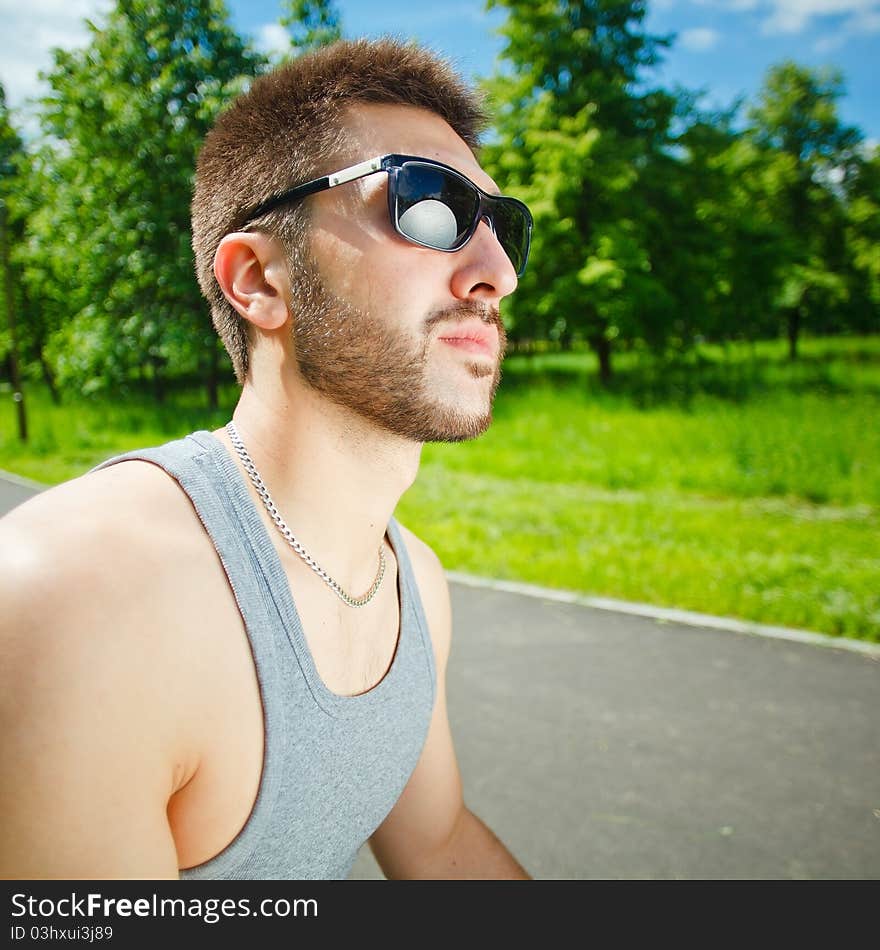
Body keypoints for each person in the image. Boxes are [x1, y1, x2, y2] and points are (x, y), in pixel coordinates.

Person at [0, 37, 533, 880]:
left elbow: (439, 848)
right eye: (429, 203)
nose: (496, 272)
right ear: (258, 280)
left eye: (506, 228)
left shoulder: (414, 585)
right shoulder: (78, 600)